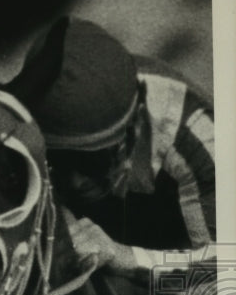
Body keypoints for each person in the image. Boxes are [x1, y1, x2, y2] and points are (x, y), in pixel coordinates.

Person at [18, 16, 215, 273]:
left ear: (135, 127)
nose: (76, 182)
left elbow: (225, 278)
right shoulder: (22, 113)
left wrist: (124, 258)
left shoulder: (197, 136)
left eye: (90, 162)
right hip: (123, 206)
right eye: (58, 159)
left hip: (183, 233)